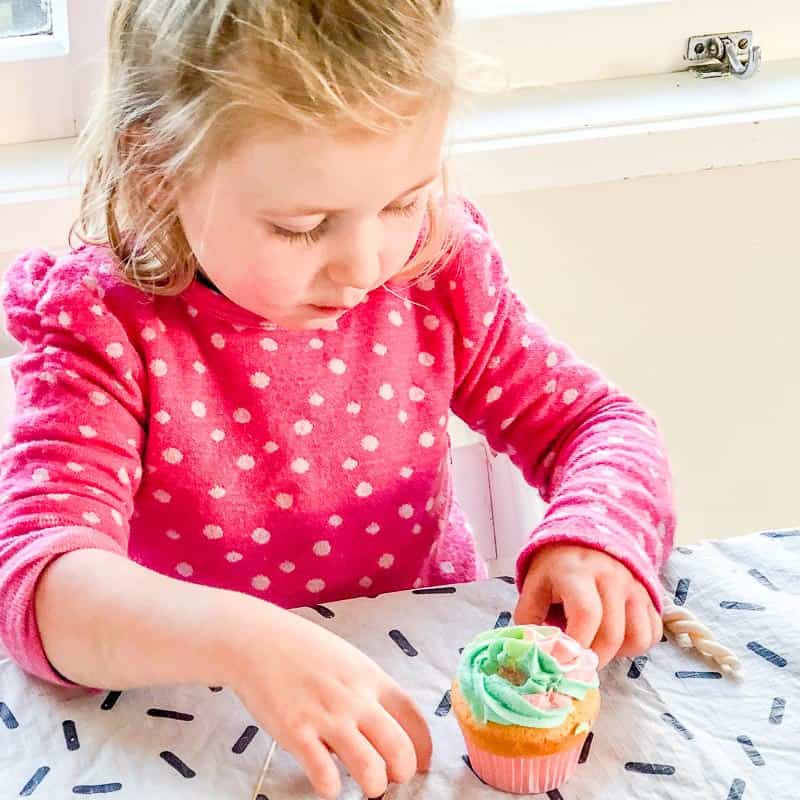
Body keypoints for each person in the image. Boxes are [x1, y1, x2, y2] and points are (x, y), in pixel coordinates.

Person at [0, 2, 675, 798]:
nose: (365, 265)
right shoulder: (102, 324)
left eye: (400, 202)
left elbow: (596, 424)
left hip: (414, 685)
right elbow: (42, 590)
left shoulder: (434, 270)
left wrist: (594, 534)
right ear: (158, 172)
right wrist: (247, 642)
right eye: (303, 226)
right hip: (193, 724)